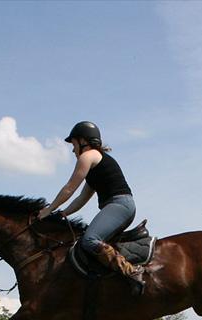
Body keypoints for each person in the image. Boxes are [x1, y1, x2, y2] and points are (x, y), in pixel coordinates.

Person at [37, 121, 143, 294]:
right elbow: (81, 198)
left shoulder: (89, 156)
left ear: (83, 141)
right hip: (120, 205)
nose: (73, 150)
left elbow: (70, 188)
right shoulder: (95, 165)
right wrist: (63, 213)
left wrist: (48, 210)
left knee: (89, 240)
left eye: (73, 144)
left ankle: (132, 272)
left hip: (119, 204)